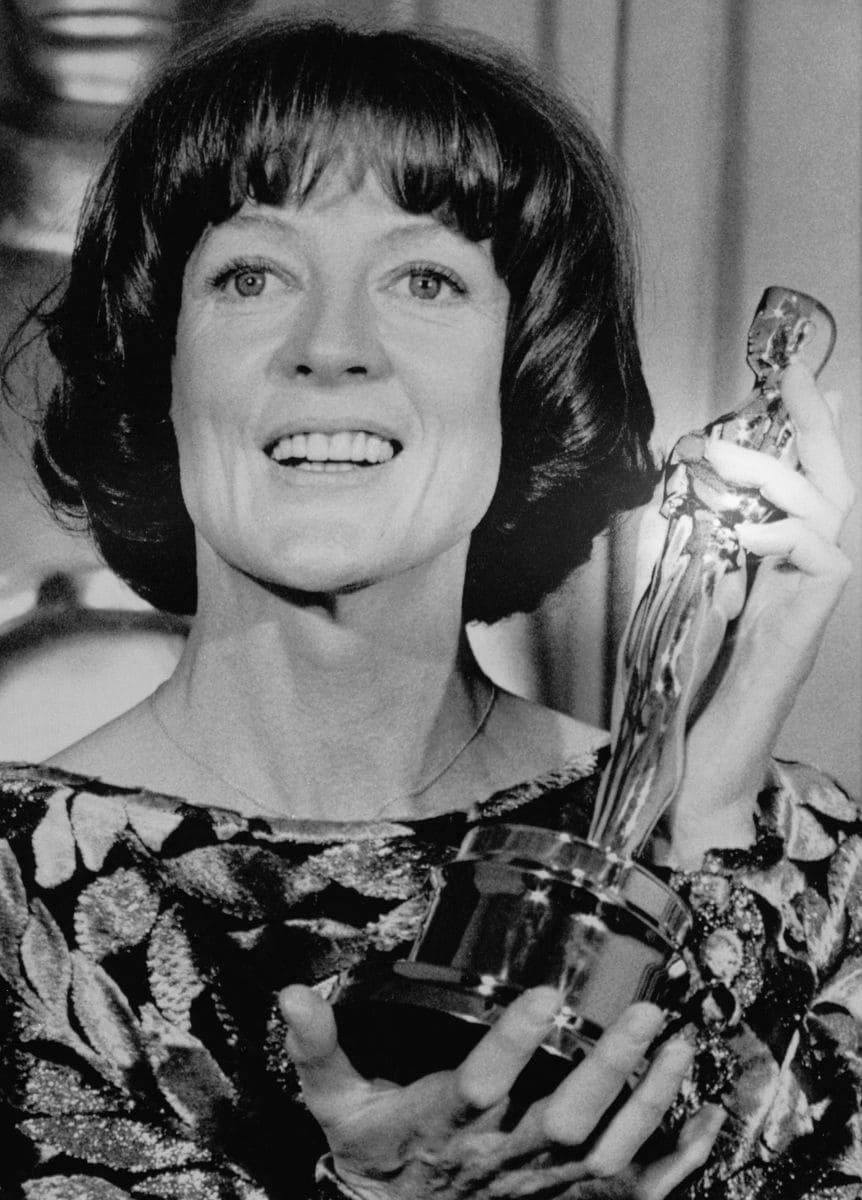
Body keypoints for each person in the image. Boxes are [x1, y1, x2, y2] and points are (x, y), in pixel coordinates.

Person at [0, 16, 858, 1200]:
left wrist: (700, 828)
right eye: (251, 274)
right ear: (162, 364)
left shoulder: (791, 860)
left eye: (425, 279)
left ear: (526, 379)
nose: (332, 346)